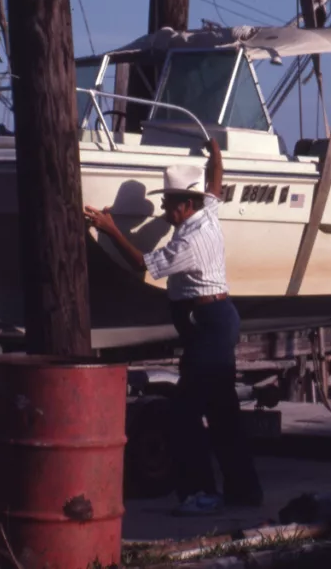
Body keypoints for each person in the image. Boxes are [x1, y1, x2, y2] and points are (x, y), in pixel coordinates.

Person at [84, 138, 263, 516]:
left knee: (183, 415)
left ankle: (201, 492)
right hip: (216, 320)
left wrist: (110, 229)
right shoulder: (207, 214)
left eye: (168, 203)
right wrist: (215, 153)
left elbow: (143, 264)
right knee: (223, 411)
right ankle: (244, 491)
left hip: (208, 325)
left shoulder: (192, 241)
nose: (164, 209)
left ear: (186, 204)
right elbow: (215, 186)